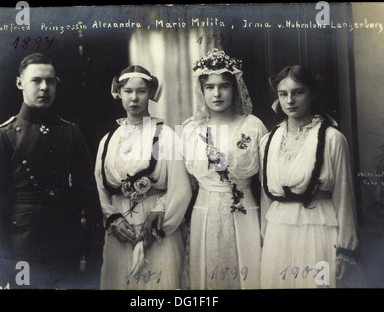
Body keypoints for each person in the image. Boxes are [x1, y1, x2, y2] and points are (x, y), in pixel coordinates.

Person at [0, 52, 102, 289]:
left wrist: (94, 243)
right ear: (20, 83)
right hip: (21, 243)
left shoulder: (71, 132)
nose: (45, 87)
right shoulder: (2, 135)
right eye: (36, 80)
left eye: (51, 80)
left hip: (65, 238)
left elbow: (87, 190)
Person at [259, 65, 358, 288]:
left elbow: (344, 195)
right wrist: (265, 236)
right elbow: (266, 197)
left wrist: (345, 250)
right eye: (283, 94)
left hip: (318, 227)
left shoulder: (332, 138)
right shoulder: (268, 141)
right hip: (278, 230)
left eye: (298, 92)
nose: (290, 100)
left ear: (311, 93)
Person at [94, 65, 192, 290]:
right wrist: (113, 219)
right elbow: (99, 187)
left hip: (156, 227)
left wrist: (160, 222)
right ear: (119, 93)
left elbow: (179, 187)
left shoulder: (163, 136)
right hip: (120, 231)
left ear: (151, 93)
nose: (134, 98)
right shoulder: (108, 140)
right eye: (128, 91)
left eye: (141, 91)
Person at [182, 49, 268, 289]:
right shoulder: (191, 129)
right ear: (201, 90)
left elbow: (267, 183)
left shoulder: (253, 126)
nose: (217, 93)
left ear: (235, 87)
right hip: (204, 213)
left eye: (224, 86)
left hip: (245, 213)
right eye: (209, 87)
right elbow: (183, 184)